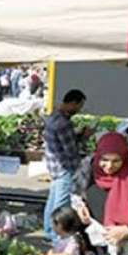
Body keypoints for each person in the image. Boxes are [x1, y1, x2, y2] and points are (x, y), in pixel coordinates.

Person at [43, 89, 91, 244]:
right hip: (65, 168)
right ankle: (58, 238)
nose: (79, 110)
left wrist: (76, 135)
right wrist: (83, 138)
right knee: (61, 205)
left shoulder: (53, 116)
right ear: (72, 103)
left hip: (54, 168)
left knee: (52, 202)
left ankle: (49, 232)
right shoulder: (64, 123)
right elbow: (71, 151)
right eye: (79, 105)